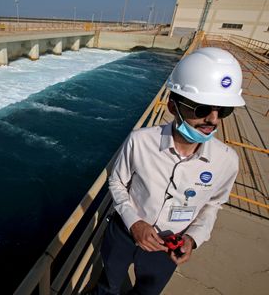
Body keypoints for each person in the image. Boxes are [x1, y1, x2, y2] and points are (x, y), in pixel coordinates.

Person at [92, 47, 245, 295]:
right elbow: (117, 183)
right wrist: (134, 223)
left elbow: (214, 204)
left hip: (169, 246)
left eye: (223, 110)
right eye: (202, 109)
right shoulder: (139, 141)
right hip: (124, 234)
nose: (214, 119)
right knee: (108, 284)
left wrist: (194, 237)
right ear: (174, 106)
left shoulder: (227, 161)